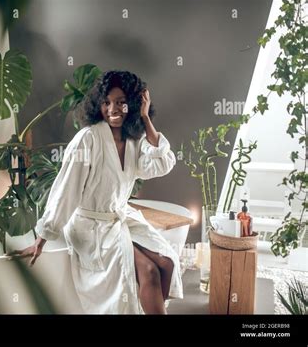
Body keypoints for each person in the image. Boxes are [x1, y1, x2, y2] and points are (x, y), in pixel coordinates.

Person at [10, 70, 183, 314]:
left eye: (121, 102)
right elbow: (66, 189)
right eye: (106, 102)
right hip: (91, 227)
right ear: (98, 105)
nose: (113, 109)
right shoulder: (88, 139)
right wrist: (43, 236)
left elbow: (163, 163)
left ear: (132, 105)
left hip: (119, 219)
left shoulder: (133, 139)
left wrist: (145, 118)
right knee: (150, 272)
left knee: (167, 262)